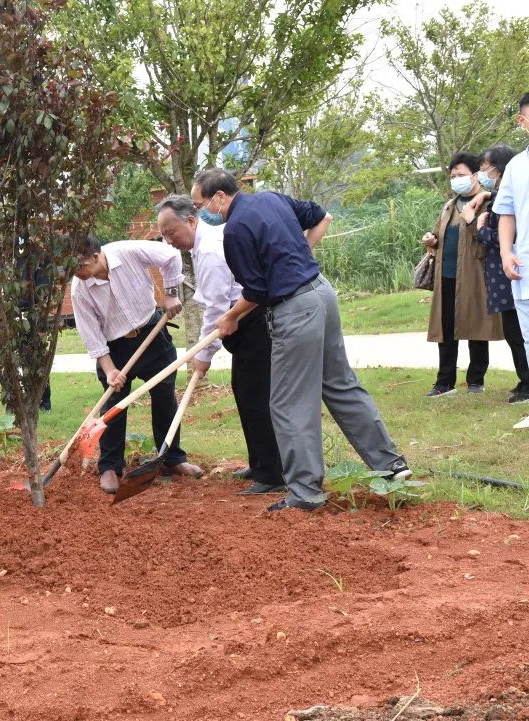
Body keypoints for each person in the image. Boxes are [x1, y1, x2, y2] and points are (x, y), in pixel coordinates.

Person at [192, 168, 411, 512]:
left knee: (288, 403)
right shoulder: (271, 198)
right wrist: (301, 257)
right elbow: (322, 216)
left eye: (200, 204)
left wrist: (231, 316)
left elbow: (258, 290)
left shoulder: (234, 230)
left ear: (219, 196)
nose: (201, 214)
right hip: (322, 293)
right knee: (340, 383)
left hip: (294, 308)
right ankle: (391, 463)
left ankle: (305, 493)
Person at [156, 195, 284, 495]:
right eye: (162, 234)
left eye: (170, 231)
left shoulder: (211, 250)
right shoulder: (203, 245)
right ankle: (260, 463)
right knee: (244, 391)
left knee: (256, 398)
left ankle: (273, 474)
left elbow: (216, 310)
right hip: (239, 323)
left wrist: (203, 355)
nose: (168, 240)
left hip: (252, 323)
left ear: (190, 221)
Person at [70, 234, 203, 495]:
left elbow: (171, 256)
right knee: (114, 404)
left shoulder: (127, 251)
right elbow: (91, 333)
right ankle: (110, 466)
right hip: (114, 348)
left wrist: (172, 294)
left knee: (165, 397)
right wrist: (109, 370)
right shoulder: (79, 288)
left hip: (152, 332)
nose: (77, 273)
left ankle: (172, 459)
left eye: (80, 267)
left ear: (96, 257)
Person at [419, 152, 502, 397]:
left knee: (477, 327)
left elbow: (491, 239)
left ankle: (476, 380)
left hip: (474, 275)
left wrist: (470, 221)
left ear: (476, 175)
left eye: (461, 174)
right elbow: (440, 235)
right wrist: (431, 239)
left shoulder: (488, 205)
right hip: (446, 276)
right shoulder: (449, 205)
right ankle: (444, 382)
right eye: (453, 175)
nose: (456, 179)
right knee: (445, 330)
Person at [470, 145, 529, 404]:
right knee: (515, 333)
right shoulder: (497, 196)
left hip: (513, 271)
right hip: (502, 272)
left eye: (485, 170)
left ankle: (527, 382)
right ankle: (524, 379)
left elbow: (512, 234)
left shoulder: (510, 197)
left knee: (518, 333)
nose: (483, 175)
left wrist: (481, 229)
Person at [497, 92, 529, 429]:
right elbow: (506, 213)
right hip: (525, 265)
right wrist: (507, 251)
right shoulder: (517, 166)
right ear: (523, 122)